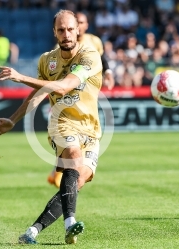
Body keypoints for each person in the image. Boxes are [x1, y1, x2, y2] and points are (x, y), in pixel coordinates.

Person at [0, 9, 102, 244]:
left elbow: (62, 87)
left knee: (75, 182)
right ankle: (70, 225)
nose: (66, 34)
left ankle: (32, 231)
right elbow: (39, 94)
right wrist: (14, 119)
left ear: (78, 30)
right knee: (74, 156)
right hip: (62, 124)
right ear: (54, 33)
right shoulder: (47, 60)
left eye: (70, 29)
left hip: (91, 129)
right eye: (61, 30)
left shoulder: (90, 55)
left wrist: (21, 77)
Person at [46, 11, 114, 188]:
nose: (81, 26)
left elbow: (103, 59)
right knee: (71, 142)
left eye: (82, 23)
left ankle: (64, 175)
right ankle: (60, 173)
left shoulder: (94, 42)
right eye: (62, 29)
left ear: (83, 26)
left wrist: (108, 73)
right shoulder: (64, 44)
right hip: (69, 94)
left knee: (82, 134)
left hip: (87, 93)